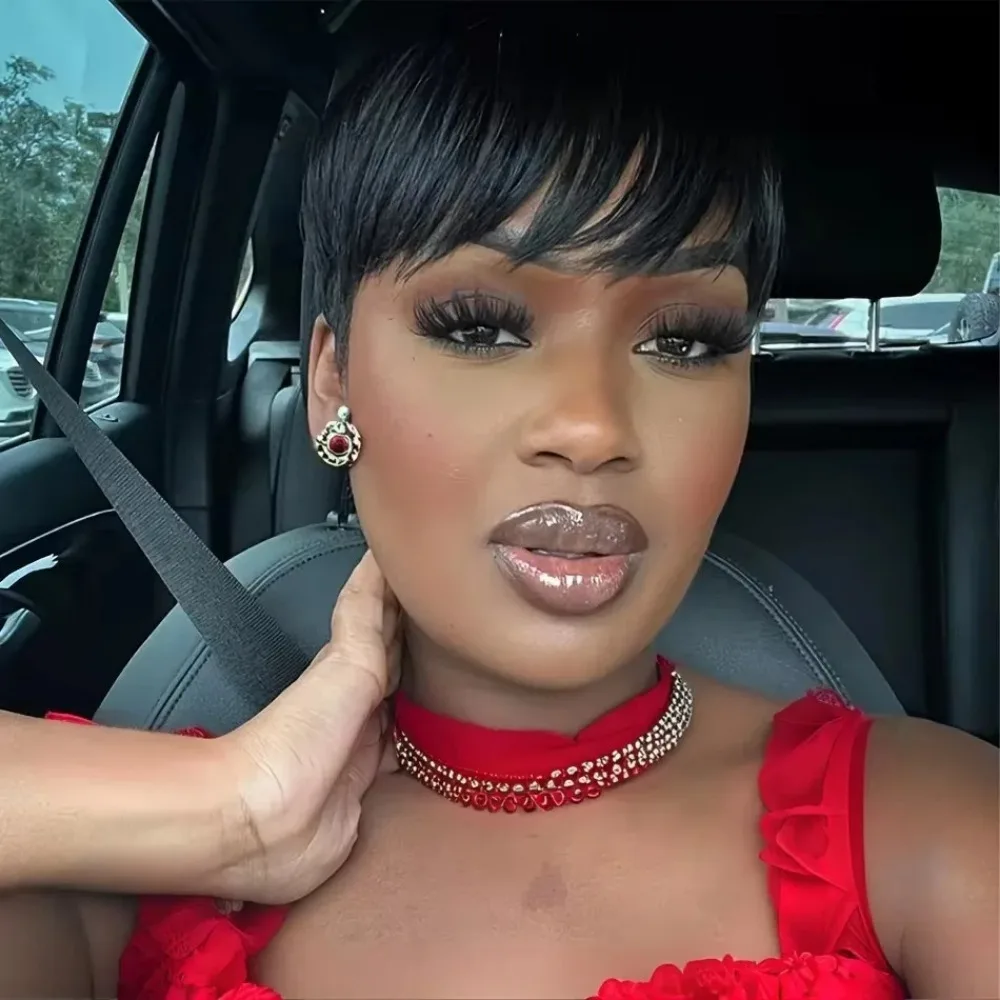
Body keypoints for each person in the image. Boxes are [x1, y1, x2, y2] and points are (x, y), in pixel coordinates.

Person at [2, 19, 997, 1000]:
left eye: (686, 341)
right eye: (479, 327)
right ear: (333, 382)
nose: (592, 427)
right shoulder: (129, 878)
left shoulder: (929, 822)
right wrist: (235, 810)